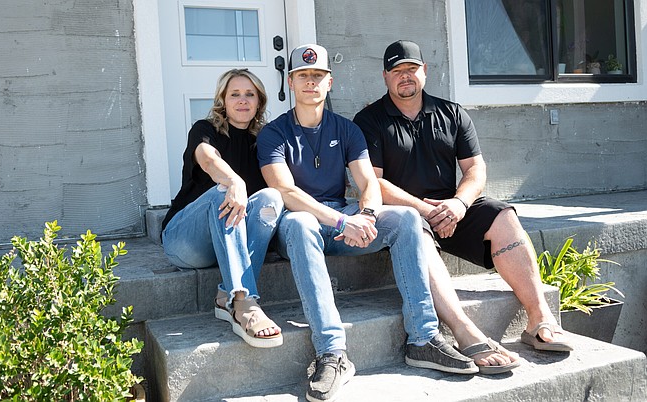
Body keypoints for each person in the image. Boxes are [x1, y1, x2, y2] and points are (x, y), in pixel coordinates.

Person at [258, 44, 478, 402]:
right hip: (302, 224)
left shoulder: (346, 129)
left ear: (330, 82)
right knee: (299, 223)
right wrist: (343, 221)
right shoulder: (273, 133)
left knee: (406, 217)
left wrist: (368, 215)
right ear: (291, 82)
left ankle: (422, 338)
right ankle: (332, 353)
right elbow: (285, 191)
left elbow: (368, 184)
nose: (311, 83)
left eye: (318, 76)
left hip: (343, 216)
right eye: (303, 76)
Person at [354, 40, 573, 372]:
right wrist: (428, 211)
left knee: (503, 216)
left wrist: (458, 203)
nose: (405, 77)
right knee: (413, 227)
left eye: (411, 69)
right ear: (385, 77)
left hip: (452, 210)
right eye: (397, 71)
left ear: (424, 71)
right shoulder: (369, 120)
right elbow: (374, 183)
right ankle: (464, 331)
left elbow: (475, 170)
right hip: (404, 216)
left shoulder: (452, 112)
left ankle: (539, 319)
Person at [161, 68, 284, 348]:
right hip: (185, 240)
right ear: (223, 101)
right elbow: (207, 159)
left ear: (259, 102)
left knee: (272, 199)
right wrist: (234, 181)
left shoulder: (264, 141)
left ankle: (224, 294)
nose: (243, 100)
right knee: (222, 192)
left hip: (226, 241)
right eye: (235, 94)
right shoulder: (205, 130)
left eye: (250, 94)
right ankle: (243, 301)